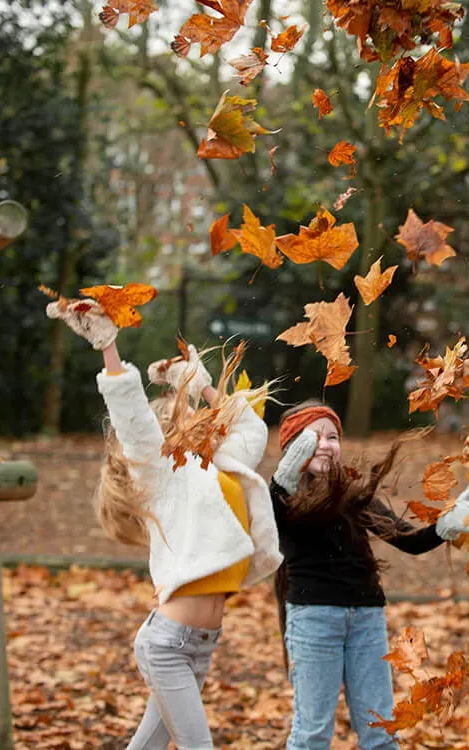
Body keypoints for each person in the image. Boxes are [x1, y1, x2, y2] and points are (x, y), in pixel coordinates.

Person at [46, 299, 283, 750]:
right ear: (168, 432)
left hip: (200, 644)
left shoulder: (220, 468)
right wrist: (108, 347)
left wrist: (200, 385)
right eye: (186, 411)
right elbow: (133, 419)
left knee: (149, 745)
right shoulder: (162, 476)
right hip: (169, 644)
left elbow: (251, 426)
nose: (197, 415)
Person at [269, 399, 469, 750]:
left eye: (333, 437)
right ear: (291, 449)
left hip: (366, 620)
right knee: (312, 734)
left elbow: (410, 541)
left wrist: (450, 524)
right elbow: (271, 518)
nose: (326, 444)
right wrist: (281, 482)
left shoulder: (353, 496)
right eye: (313, 437)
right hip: (313, 620)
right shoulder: (286, 500)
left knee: (381, 731)